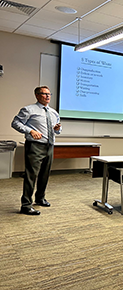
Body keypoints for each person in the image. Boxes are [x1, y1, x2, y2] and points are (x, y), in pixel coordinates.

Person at [11, 86, 61, 215]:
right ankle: (26, 205)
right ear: (37, 95)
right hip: (35, 146)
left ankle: (40, 198)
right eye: (44, 94)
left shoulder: (54, 112)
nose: (48, 96)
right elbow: (15, 123)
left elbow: (58, 130)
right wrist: (30, 130)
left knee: (45, 174)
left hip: (49, 145)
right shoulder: (29, 109)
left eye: (49, 94)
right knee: (31, 175)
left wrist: (56, 129)